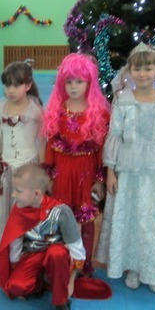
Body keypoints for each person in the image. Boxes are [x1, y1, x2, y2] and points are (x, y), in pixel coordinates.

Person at [95, 43, 155, 293]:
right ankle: (133, 267)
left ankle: (152, 269)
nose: (142, 74)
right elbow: (115, 135)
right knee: (130, 216)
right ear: (130, 71)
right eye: (137, 69)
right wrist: (110, 171)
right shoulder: (122, 100)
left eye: (148, 68)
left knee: (152, 219)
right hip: (127, 167)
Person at [0, 164, 86, 310]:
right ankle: (40, 282)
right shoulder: (19, 210)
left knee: (56, 253)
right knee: (16, 286)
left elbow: (77, 249)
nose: (14, 195)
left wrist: (71, 281)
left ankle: (62, 304)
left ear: (36, 193)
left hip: (56, 256)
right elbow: (15, 242)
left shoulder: (61, 212)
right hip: (32, 255)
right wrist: (17, 269)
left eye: (18, 191)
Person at [42, 53, 110, 276]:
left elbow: (101, 148)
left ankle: (85, 264)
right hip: (62, 173)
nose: (73, 87)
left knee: (87, 220)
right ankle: (62, 261)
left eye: (79, 81)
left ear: (89, 83)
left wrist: (100, 180)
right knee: (61, 218)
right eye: (69, 82)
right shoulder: (57, 110)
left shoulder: (98, 112)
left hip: (86, 173)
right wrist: (49, 175)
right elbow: (50, 144)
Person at [0, 60, 45, 237]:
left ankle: (27, 245)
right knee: (7, 209)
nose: (10, 90)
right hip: (6, 168)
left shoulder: (35, 111)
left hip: (28, 167)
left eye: (16, 85)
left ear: (28, 85)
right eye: (7, 85)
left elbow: (42, 142)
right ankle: (8, 244)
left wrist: (42, 172)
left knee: (26, 210)